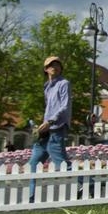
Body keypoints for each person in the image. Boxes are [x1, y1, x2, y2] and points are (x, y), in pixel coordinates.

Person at [28, 56, 73, 203]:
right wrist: (42, 124)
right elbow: (49, 107)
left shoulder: (64, 84)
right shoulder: (47, 86)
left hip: (56, 127)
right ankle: (31, 196)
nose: (55, 67)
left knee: (61, 162)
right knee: (34, 162)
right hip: (45, 130)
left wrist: (51, 120)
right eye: (51, 65)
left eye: (57, 65)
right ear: (46, 69)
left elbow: (64, 107)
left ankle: (88, 184)